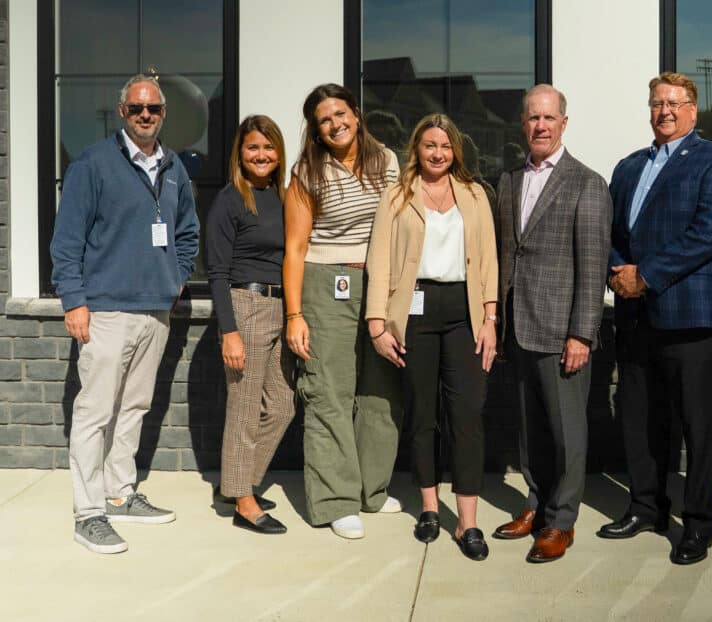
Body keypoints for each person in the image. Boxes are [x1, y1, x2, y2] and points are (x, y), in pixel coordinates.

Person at [51, 74, 199, 554]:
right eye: (136, 108)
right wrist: (74, 300)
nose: (145, 115)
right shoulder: (93, 165)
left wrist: (174, 280)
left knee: (133, 407)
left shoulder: (174, 167)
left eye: (153, 108)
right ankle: (88, 513)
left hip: (155, 310)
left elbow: (186, 234)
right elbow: (67, 240)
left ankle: (119, 493)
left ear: (163, 113)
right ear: (121, 112)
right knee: (94, 412)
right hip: (105, 309)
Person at [602, 72, 712, 566]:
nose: (665, 111)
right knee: (640, 417)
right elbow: (611, 228)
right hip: (636, 316)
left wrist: (647, 275)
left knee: (698, 425)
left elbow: (708, 234)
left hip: (691, 317)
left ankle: (699, 523)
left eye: (675, 103)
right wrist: (619, 271)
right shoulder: (628, 166)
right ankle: (646, 506)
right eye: (657, 103)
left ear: (693, 110)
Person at [366, 114, 499, 561]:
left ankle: (468, 522)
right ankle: (428, 509)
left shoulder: (476, 195)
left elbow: (489, 261)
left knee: (467, 415)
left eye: (445, 145)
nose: (437, 153)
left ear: (455, 150)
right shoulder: (397, 195)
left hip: (464, 311)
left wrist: (490, 318)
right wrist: (377, 323)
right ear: (416, 150)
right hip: (414, 311)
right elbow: (379, 260)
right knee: (423, 413)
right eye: (429, 145)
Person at [492, 84, 612, 563]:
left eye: (548, 118)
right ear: (523, 124)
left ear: (564, 123)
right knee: (531, 430)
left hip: (563, 330)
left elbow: (593, 264)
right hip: (517, 327)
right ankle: (535, 504)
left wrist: (582, 333)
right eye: (532, 119)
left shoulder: (587, 183)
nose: (540, 126)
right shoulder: (507, 180)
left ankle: (561, 520)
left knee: (567, 434)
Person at [283, 83, 403, 539]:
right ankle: (336, 499)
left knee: (381, 390)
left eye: (340, 114)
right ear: (316, 131)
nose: (335, 124)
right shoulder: (307, 172)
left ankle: (372, 490)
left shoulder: (387, 161)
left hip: (381, 285)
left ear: (356, 112)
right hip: (325, 283)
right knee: (329, 392)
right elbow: (295, 248)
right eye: (324, 121)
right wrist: (295, 315)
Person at [205, 115, 295, 535]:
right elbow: (217, 273)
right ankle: (243, 501)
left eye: (269, 147)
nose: (262, 155)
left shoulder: (281, 195)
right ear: (240, 154)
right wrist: (230, 331)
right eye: (253, 147)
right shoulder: (229, 199)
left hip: (280, 308)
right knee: (243, 409)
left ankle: (236, 482)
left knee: (281, 405)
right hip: (246, 305)